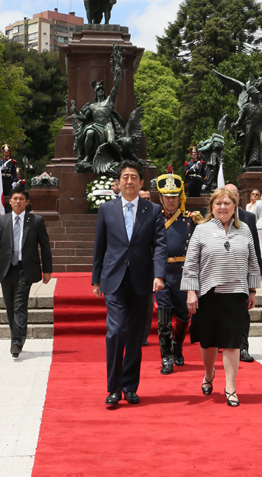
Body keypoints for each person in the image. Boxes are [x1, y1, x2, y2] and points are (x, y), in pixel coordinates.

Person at [92, 160, 168, 406]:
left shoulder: (152, 210)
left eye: (134, 177)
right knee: (115, 332)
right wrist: (96, 279)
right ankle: (113, 388)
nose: (129, 181)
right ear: (118, 182)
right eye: (125, 177)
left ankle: (130, 386)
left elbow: (159, 245)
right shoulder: (106, 210)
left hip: (141, 280)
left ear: (141, 182)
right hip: (113, 280)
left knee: (135, 335)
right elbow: (100, 247)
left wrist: (159, 275)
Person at [181, 188, 261, 407]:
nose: (223, 207)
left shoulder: (244, 229)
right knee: (208, 343)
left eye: (227, 203)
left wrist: (252, 290)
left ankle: (231, 387)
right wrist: (190, 291)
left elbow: (253, 262)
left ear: (235, 206)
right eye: (218, 204)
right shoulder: (201, 229)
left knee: (232, 342)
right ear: (211, 207)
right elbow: (191, 264)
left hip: (236, 294)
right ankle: (209, 374)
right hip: (208, 293)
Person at [155, 167, 202, 374]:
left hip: (184, 275)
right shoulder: (154, 220)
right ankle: (166, 358)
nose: (171, 200)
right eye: (167, 197)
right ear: (161, 198)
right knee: (164, 320)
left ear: (179, 196)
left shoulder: (191, 219)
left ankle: (177, 345)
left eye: (174, 196)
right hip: (163, 275)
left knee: (183, 318)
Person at [0, 186, 52, 359]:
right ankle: (17, 336)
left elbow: (45, 247)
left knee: (20, 304)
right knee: (10, 307)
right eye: (14, 198)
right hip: (6, 270)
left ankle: (16, 342)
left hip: (25, 269)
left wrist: (47, 271)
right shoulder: (3, 221)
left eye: (21, 199)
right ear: (9, 201)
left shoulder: (35, 221)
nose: (17, 201)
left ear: (27, 202)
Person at [225, 183, 262, 362]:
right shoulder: (216, 216)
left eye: (234, 196)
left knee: (243, 312)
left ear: (239, 198)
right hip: (222, 272)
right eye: (227, 195)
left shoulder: (248, 217)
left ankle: (243, 347)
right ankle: (224, 343)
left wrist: (258, 274)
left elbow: (255, 247)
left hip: (242, 273)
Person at [139, 188, 154, 347]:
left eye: (149, 198)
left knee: (148, 305)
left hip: (150, 267)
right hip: (133, 266)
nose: (147, 201)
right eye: (144, 198)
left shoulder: (157, 215)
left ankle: (143, 336)